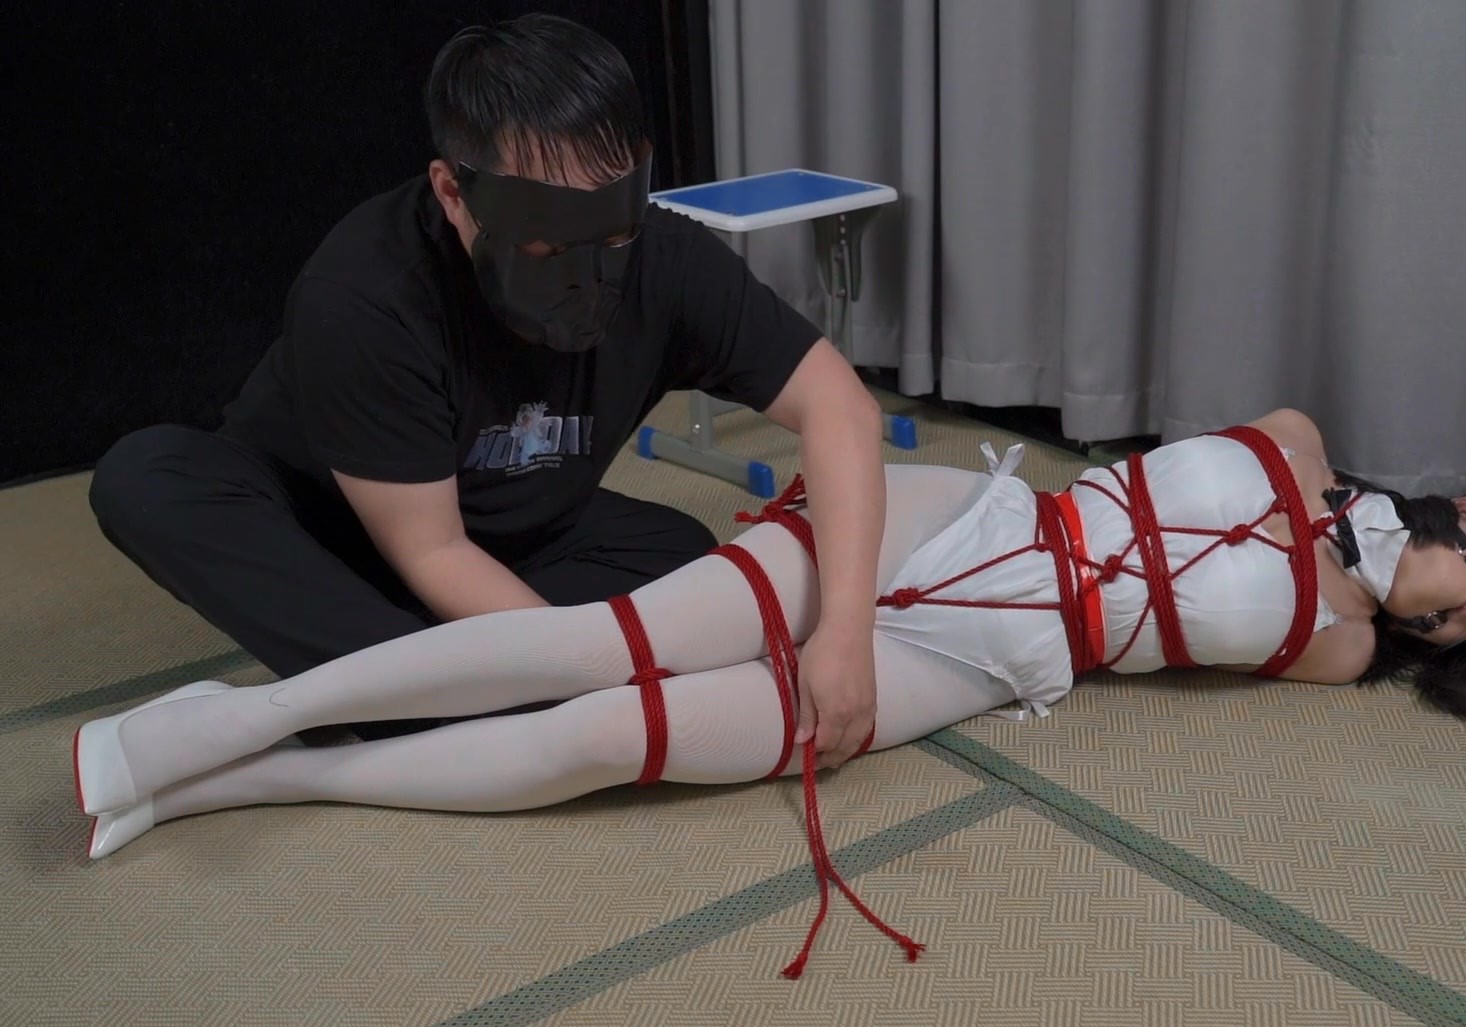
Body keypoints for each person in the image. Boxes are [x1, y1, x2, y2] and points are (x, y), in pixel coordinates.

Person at [73, 406, 1466, 976]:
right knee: (613, 642)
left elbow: (1326, 607)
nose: (1464, 606)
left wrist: (1379, 589)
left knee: (611, 739)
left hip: (991, 663)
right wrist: (1358, 526)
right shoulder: (1296, 444)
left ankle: (251, 770)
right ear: (1464, 512)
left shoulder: (1339, 646)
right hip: (956, 519)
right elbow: (1261, 490)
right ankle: (248, 712)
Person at [83, 14, 890, 754]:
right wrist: (582, 685)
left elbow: (838, 406)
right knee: (149, 479)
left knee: (682, 555)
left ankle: (410, 684)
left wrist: (846, 633)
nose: (587, 273)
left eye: (611, 232)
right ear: (452, 192)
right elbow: (430, 548)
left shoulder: (666, 260)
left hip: (511, 530)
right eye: (548, 245)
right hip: (336, 542)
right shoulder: (365, 292)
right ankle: (423, 686)